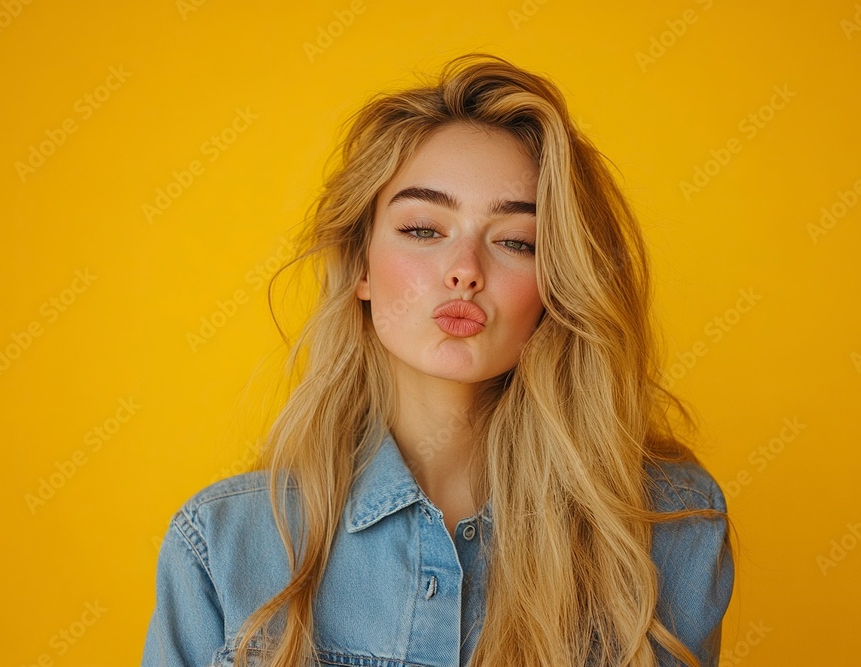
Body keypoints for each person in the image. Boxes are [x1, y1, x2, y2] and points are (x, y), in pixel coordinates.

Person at [142, 52, 735, 667]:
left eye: (516, 242)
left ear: (557, 286)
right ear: (362, 265)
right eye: (424, 229)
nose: (465, 271)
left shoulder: (665, 529)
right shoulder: (223, 546)